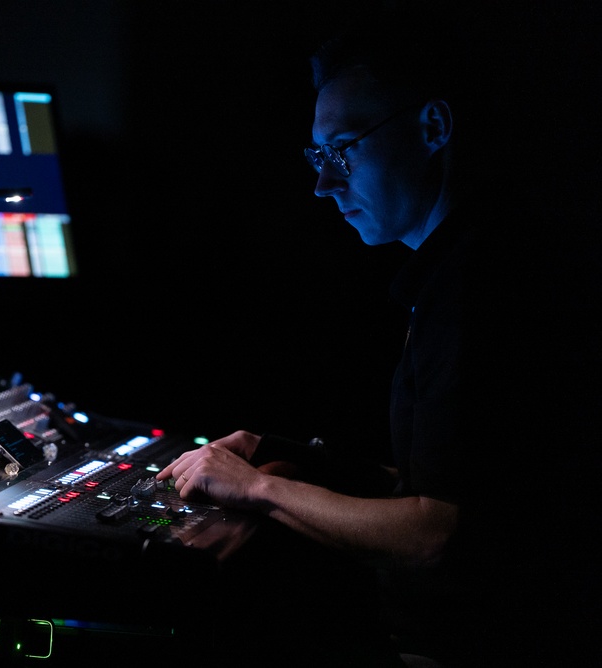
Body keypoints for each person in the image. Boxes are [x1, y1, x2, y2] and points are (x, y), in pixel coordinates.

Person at [157, 10, 602, 668]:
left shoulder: (481, 290)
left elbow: (435, 534)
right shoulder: (469, 264)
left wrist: (257, 488)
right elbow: (456, 486)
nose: (323, 183)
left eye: (344, 150)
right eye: (318, 155)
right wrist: (286, 457)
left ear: (432, 127)